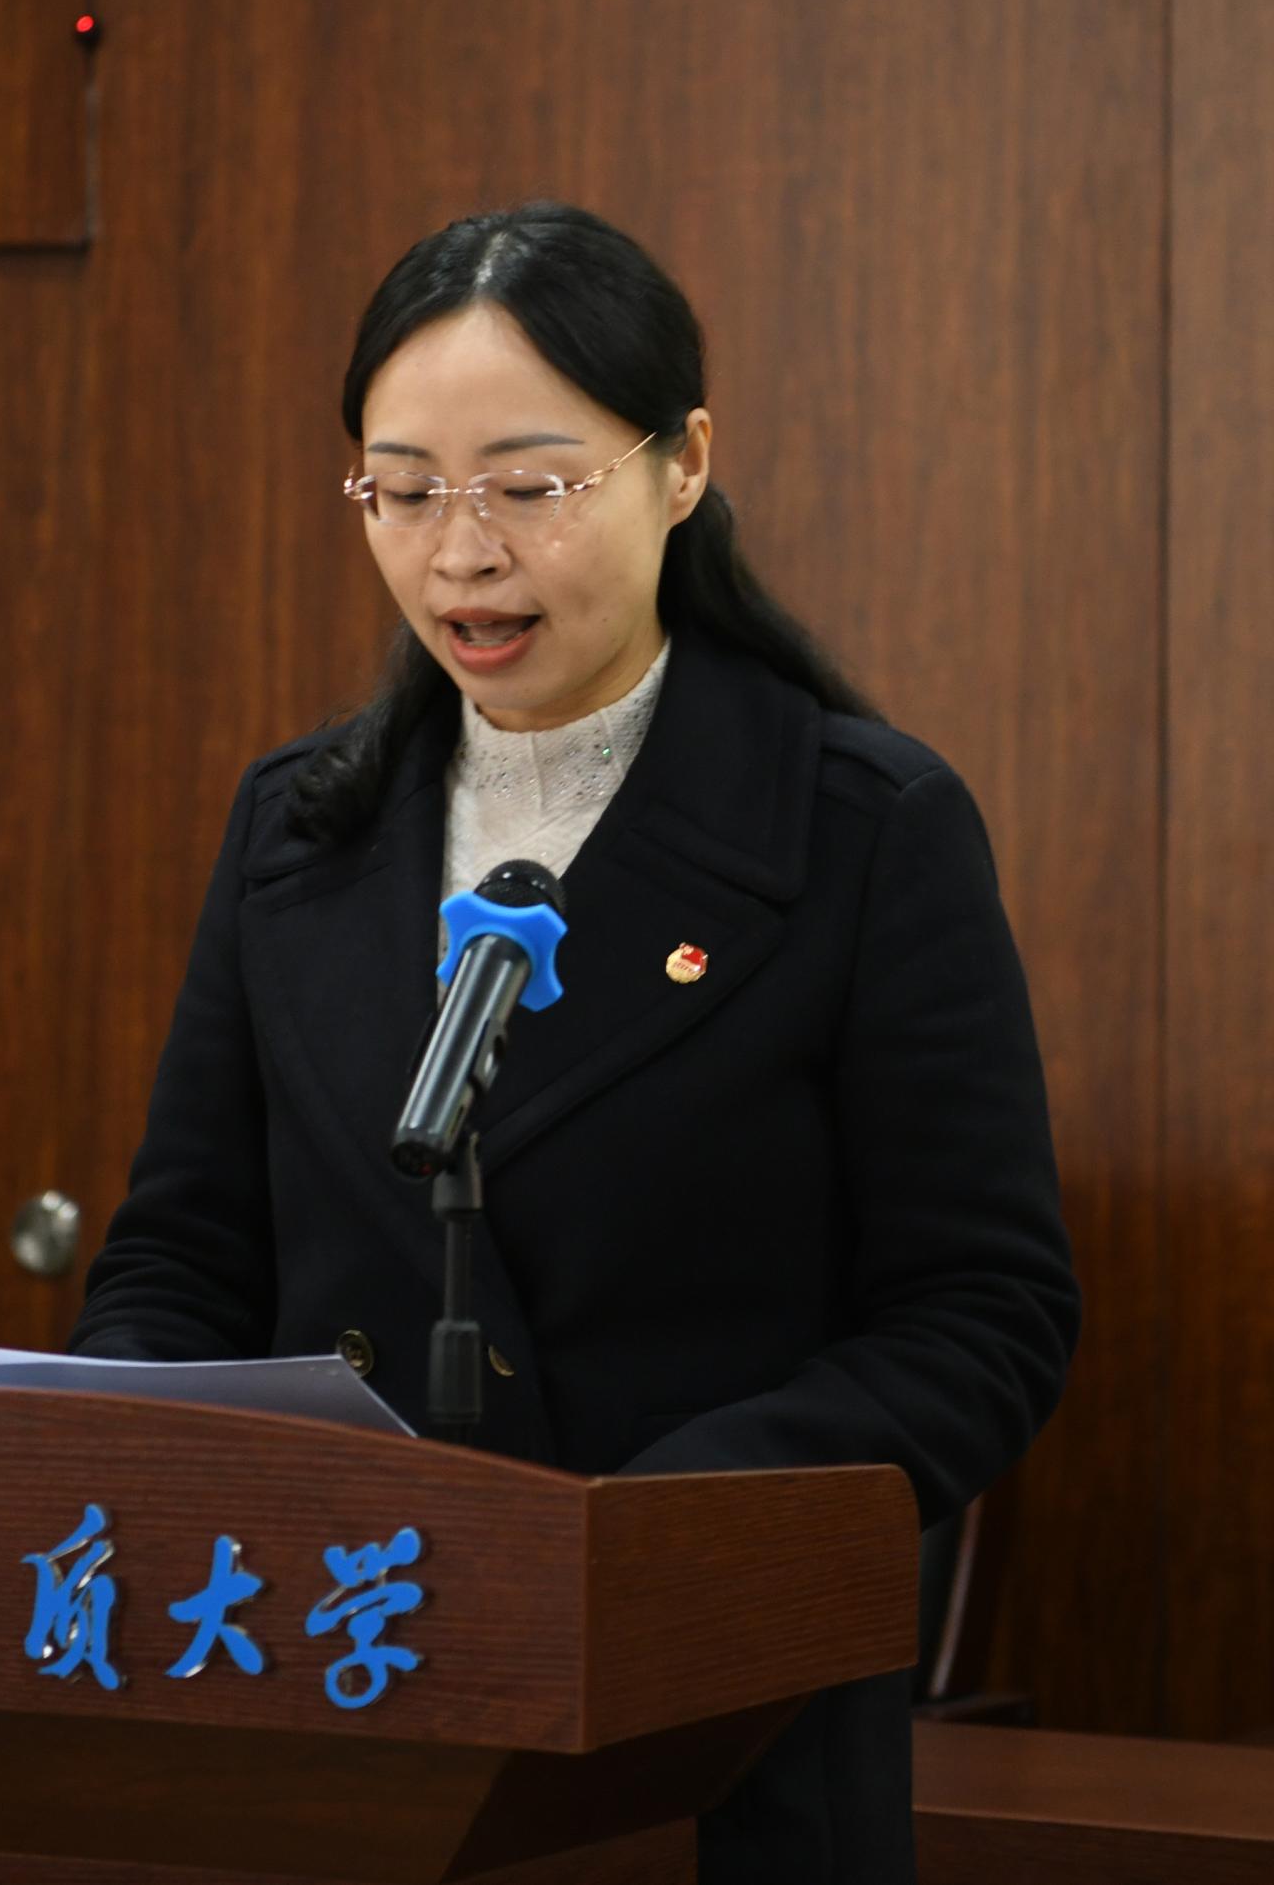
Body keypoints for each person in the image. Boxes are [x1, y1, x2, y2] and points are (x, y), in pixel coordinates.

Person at [69, 200, 1081, 1883]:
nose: (460, 556)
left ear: (683, 465)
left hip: (714, 1742)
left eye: (528, 488)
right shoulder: (300, 829)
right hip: (338, 1706)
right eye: (403, 492)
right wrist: (109, 1441)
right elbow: (185, 1251)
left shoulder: (862, 827)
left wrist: (638, 1535)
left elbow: (985, 1313)